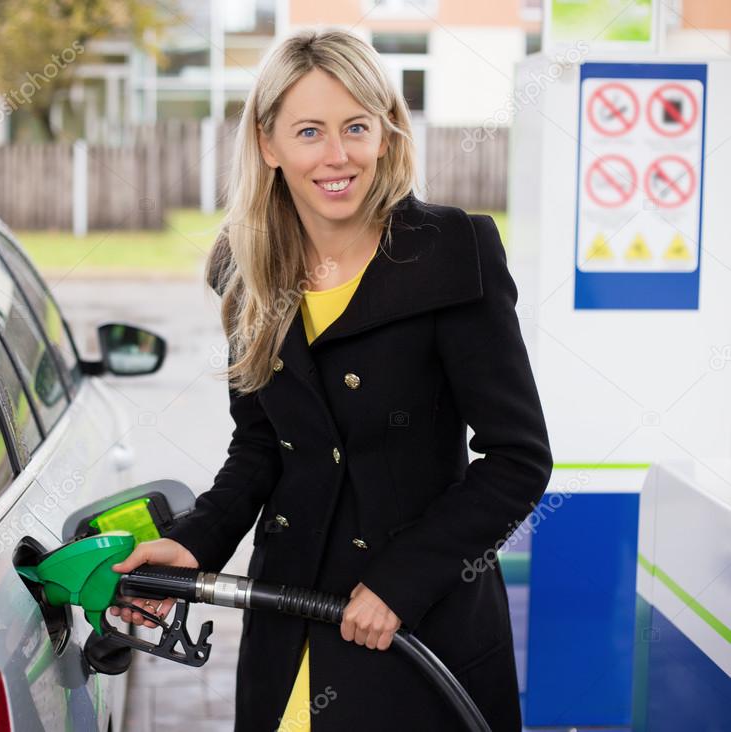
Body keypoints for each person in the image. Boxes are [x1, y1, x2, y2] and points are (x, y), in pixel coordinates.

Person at [109, 27, 552, 732]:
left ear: (386, 133)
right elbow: (260, 449)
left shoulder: (450, 251)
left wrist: (401, 582)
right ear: (268, 143)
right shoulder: (245, 265)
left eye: (355, 127)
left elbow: (516, 459)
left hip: (417, 630)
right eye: (309, 131)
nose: (336, 155)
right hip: (289, 622)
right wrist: (194, 544)